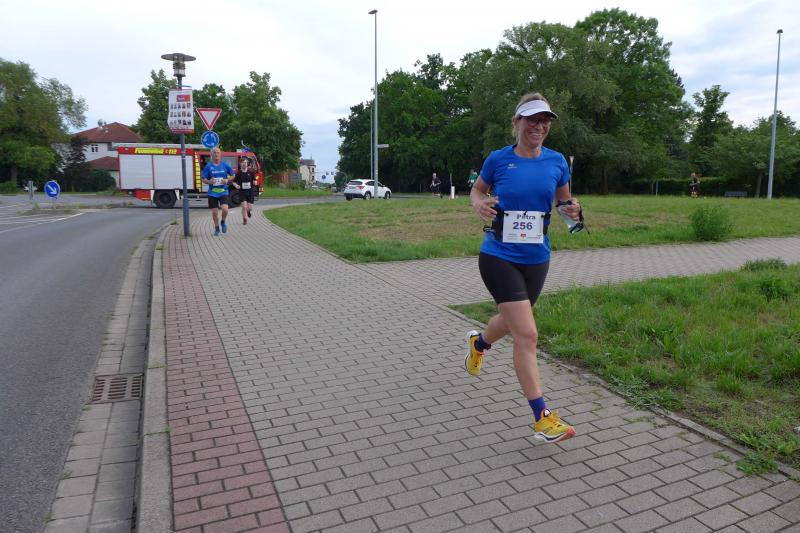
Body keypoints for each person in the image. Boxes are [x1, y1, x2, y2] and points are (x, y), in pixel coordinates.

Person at [466, 92, 582, 444]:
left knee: (513, 320)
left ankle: (479, 343)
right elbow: (477, 191)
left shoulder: (557, 161)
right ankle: (542, 418)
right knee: (527, 334)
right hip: (498, 255)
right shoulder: (499, 159)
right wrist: (478, 205)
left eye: (545, 121)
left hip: (537, 257)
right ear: (517, 122)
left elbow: (564, 203)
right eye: (533, 119)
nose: (540, 126)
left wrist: (574, 213)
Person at [201, 147, 235, 236]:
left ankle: (223, 222)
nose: (216, 154)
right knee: (215, 212)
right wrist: (209, 181)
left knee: (225, 209)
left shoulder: (225, 165)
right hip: (212, 193)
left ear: (220, 154)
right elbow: (203, 179)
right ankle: (216, 228)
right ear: (211, 155)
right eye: (214, 153)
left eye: (218, 153)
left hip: (223, 191)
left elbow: (233, 175)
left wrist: (227, 180)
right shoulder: (208, 166)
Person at [233, 157, 257, 224]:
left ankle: (248, 211)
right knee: (244, 207)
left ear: (247, 164)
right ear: (240, 164)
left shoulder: (251, 172)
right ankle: (244, 219)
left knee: (250, 208)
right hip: (242, 192)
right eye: (243, 163)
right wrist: (236, 186)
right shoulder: (238, 173)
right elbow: (234, 182)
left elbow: (254, 180)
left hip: (250, 192)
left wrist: (255, 182)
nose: (244, 164)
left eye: (245, 163)